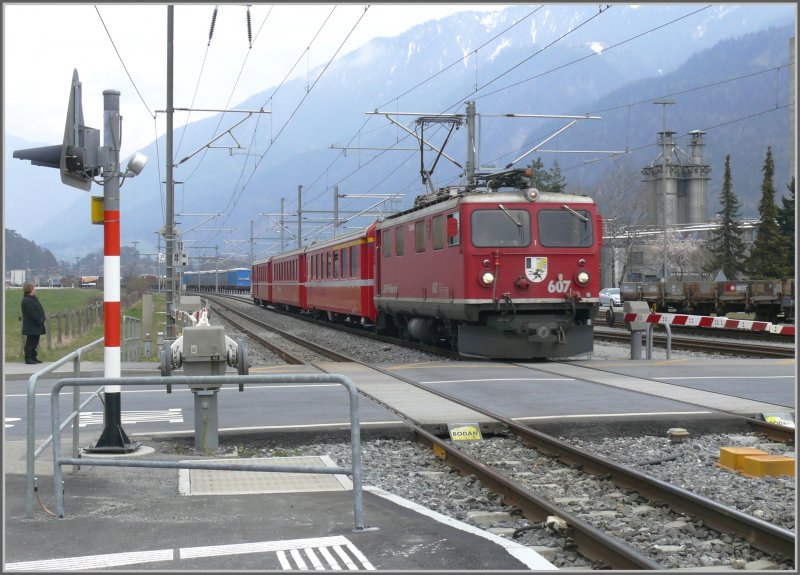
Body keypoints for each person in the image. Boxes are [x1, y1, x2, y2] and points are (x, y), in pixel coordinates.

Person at [20, 282, 46, 364]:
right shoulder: (27, 300)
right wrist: (40, 320)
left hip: (35, 325)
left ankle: (33, 356)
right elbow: (33, 313)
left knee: (35, 341)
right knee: (31, 342)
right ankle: (28, 358)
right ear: (30, 289)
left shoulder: (32, 298)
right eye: (34, 288)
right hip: (32, 325)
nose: (35, 290)